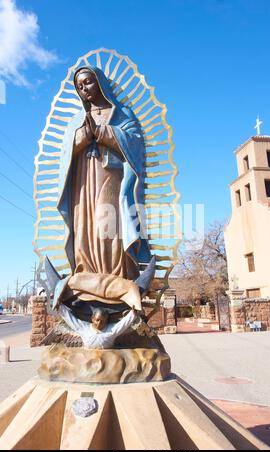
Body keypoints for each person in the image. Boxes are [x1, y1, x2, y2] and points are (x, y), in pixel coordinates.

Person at [53, 66, 151, 314]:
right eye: (79, 86)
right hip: (83, 183)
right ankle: (86, 277)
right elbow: (65, 154)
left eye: (88, 82)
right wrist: (82, 138)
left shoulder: (121, 114)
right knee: (85, 228)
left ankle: (117, 277)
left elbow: (136, 145)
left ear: (100, 82)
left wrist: (103, 132)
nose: (84, 88)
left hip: (112, 178)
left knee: (107, 225)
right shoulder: (77, 121)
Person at [59, 304, 139, 349]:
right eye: (97, 320)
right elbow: (71, 320)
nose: (99, 323)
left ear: (106, 321)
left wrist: (133, 312)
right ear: (92, 319)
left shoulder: (112, 330)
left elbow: (124, 323)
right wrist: (60, 306)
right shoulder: (83, 328)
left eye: (103, 321)